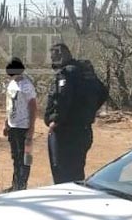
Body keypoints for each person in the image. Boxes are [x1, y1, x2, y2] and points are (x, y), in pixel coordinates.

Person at [44, 43, 108, 184]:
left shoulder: (67, 74)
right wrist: (87, 111)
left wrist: (56, 119)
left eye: (53, 57)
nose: (51, 60)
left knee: (62, 174)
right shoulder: (86, 72)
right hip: (83, 130)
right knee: (76, 172)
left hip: (66, 133)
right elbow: (103, 92)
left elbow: (62, 99)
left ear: (60, 56)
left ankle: (64, 202)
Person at [3, 57, 38, 192]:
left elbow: (33, 107)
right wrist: (6, 123)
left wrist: (31, 129)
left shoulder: (27, 85)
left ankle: (22, 186)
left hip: (24, 127)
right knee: (15, 157)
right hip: (13, 126)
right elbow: (9, 105)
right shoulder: (12, 84)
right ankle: (15, 184)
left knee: (24, 158)